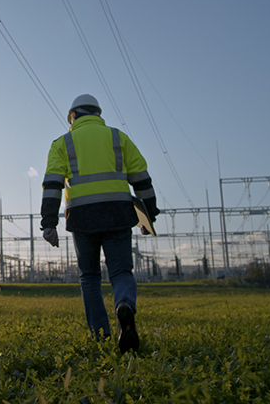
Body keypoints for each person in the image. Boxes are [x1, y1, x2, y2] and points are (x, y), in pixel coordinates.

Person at [40, 94, 160, 354]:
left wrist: (49, 222)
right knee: (121, 272)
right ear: (98, 114)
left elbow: (52, 185)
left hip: (82, 217)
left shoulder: (63, 143)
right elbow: (141, 178)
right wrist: (149, 213)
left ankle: (101, 335)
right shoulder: (118, 138)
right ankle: (124, 305)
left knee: (90, 277)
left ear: (72, 116)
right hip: (118, 213)